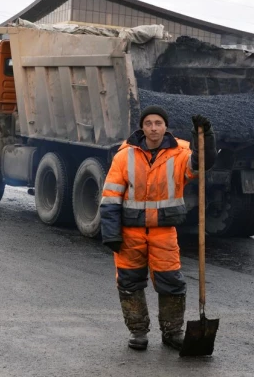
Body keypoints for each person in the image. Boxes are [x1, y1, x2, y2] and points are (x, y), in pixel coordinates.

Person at [99, 105, 217, 351]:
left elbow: (201, 165)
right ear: (142, 127)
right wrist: (111, 232)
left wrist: (204, 137)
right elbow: (110, 197)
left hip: (164, 232)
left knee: (171, 282)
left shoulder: (180, 153)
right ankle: (138, 332)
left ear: (166, 127)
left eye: (158, 123)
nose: (153, 128)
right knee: (129, 283)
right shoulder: (125, 156)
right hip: (130, 234)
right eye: (149, 123)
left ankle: (173, 333)